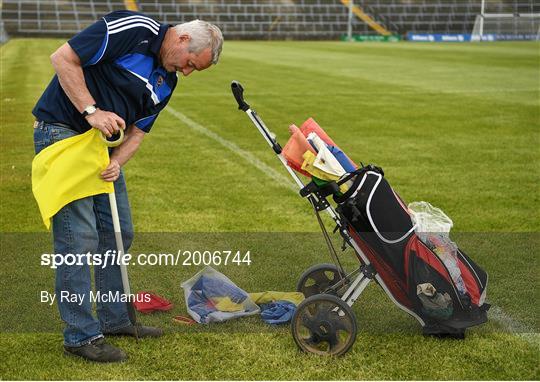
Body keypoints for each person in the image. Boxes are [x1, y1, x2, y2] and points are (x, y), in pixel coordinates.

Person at [32, 10, 223, 362]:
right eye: (190, 64)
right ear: (181, 39)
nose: (187, 72)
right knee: (79, 238)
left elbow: (137, 132)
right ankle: (80, 336)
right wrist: (92, 111)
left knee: (120, 232)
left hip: (101, 153)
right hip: (63, 135)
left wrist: (117, 162)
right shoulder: (134, 29)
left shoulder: (167, 82)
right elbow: (63, 58)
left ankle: (115, 318)